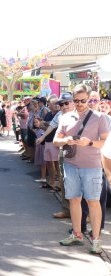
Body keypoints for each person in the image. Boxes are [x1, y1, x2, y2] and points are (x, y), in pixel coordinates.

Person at [54, 84, 109, 254]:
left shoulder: (100, 117)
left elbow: (105, 142)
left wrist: (90, 142)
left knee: (93, 201)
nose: (80, 104)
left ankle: (96, 240)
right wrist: (66, 140)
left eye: (83, 100)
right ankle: (77, 234)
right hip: (70, 165)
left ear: (88, 98)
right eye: (76, 101)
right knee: (74, 200)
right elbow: (56, 140)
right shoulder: (66, 117)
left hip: (92, 166)